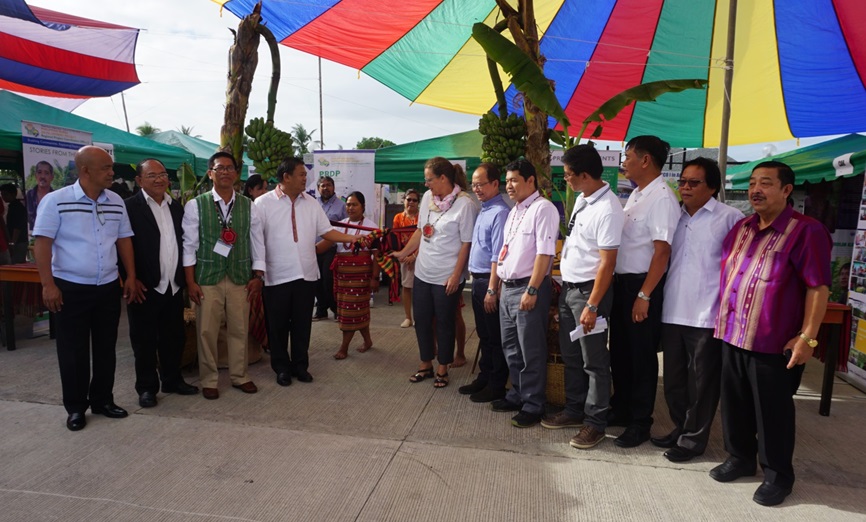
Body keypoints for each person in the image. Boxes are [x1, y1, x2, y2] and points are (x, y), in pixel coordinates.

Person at [711, 161, 830, 507]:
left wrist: (807, 337)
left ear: (787, 190)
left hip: (773, 341)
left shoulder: (806, 231)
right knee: (735, 405)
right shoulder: (742, 227)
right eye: (751, 183)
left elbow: (818, 287)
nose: (755, 190)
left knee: (772, 412)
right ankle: (740, 458)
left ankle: (778, 475)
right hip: (732, 332)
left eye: (765, 183)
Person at [33, 145, 140, 431]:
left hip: (106, 286)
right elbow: (41, 244)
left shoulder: (116, 201)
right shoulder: (56, 201)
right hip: (70, 288)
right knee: (73, 350)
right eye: (105, 167)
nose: (111, 172)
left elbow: (124, 240)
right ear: (85, 170)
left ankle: (103, 400)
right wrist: (48, 285)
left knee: (106, 348)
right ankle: (76, 407)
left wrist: (130, 275)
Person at [654, 157, 743, 461]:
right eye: (682, 182)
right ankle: (682, 427)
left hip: (707, 314)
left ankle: (693, 440)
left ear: (713, 187)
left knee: (702, 382)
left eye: (694, 182)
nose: (685, 188)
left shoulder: (729, 218)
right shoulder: (673, 217)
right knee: (674, 381)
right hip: (672, 310)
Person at [542, 145, 624, 448]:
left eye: (568, 175)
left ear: (585, 175)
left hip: (591, 293)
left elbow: (607, 263)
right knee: (571, 354)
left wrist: (591, 305)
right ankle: (574, 409)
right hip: (570, 289)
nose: (565, 180)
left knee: (594, 360)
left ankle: (595, 422)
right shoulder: (582, 199)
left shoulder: (608, 209)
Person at [256, 158, 365, 386]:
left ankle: (300, 366)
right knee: (277, 327)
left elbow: (327, 231)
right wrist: (258, 272)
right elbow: (256, 241)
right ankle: (281, 368)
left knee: (302, 324)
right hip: (276, 276)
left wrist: (352, 238)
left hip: (306, 274)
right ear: (286, 177)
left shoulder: (311, 204)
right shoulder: (262, 204)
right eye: (301, 175)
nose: (306, 179)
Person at [609, 135, 679, 447]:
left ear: (645, 160)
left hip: (642, 286)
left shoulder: (662, 198)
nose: (624, 162)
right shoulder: (638, 194)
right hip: (624, 285)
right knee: (621, 353)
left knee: (641, 358)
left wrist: (644, 295)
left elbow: (661, 252)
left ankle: (640, 422)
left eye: (628, 156)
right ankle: (621, 408)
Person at [182, 152, 265, 400]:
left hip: (240, 275)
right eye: (220, 168)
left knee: (239, 328)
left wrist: (258, 275)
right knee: (206, 331)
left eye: (230, 168)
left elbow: (257, 242)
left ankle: (240, 376)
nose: (225, 172)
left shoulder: (249, 206)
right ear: (211, 173)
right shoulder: (196, 204)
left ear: (237, 174)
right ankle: (209, 379)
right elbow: (189, 245)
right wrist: (190, 281)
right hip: (208, 277)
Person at [393, 157, 477, 389]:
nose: (426, 184)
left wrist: (455, 275)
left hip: (447, 276)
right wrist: (403, 252)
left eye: (429, 179)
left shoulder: (465, 204)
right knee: (421, 320)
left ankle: (443, 367)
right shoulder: (428, 198)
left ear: (443, 178)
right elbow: (421, 230)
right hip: (423, 272)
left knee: (444, 322)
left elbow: (466, 244)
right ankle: (425, 364)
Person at [123, 159, 199, 409]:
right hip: (145, 286)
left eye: (163, 175)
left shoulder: (176, 207)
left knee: (173, 337)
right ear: (140, 180)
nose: (159, 179)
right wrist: (129, 278)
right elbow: (121, 247)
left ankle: (172, 379)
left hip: (173, 285)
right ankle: (146, 388)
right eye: (152, 175)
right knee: (144, 341)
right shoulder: (129, 208)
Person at [492, 159, 559, 428]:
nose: (509, 185)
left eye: (514, 180)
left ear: (531, 181)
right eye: (507, 180)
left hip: (527, 287)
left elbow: (545, 253)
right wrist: (495, 285)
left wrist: (532, 288)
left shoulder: (543, 209)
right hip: (508, 287)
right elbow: (505, 250)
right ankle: (518, 393)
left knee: (530, 348)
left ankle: (534, 404)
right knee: (511, 347)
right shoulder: (515, 210)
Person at [459, 163, 510, 402]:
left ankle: (497, 384)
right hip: (478, 281)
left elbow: (497, 254)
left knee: (495, 335)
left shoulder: (500, 212)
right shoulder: (484, 210)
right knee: (484, 334)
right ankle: (485, 376)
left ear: (494, 184)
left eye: (481, 184)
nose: (476, 189)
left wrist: (492, 288)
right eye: (474, 184)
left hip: (489, 283)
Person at [321, 191, 379, 360]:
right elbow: (324, 245)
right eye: (348, 204)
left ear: (363, 206)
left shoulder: (371, 227)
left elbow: (377, 256)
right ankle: (367, 341)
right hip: (342, 277)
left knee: (350, 312)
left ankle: (344, 347)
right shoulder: (339, 225)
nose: (350, 208)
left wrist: (375, 278)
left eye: (354, 204)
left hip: (361, 276)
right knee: (357, 310)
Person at [313, 176, 347, 321]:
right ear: (318, 188)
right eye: (322, 185)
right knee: (316, 280)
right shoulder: (313, 204)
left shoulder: (342, 206)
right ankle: (321, 309)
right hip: (314, 248)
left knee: (328, 280)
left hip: (331, 249)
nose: (325, 188)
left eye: (328, 185)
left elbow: (346, 227)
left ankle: (335, 308)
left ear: (333, 187)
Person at [243, 173, 269, 352]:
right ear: (250, 190)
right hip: (247, 264)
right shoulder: (243, 209)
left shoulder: (269, 206)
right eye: (260, 188)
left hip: (265, 264)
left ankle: (266, 342)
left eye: (266, 188)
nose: (264, 192)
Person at [393, 188, 420, 328]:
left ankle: (418, 318)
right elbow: (396, 239)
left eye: (414, 200)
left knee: (419, 289)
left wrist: (414, 256)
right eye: (409, 199)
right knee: (406, 287)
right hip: (404, 256)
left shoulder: (422, 217)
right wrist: (403, 255)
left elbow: (425, 238)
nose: (411, 202)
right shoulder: (398, 218)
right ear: (404, 200)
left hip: (420, 257)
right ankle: (408, 317)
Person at [1, 184, 28, 263]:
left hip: (19, 242)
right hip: (16, 241)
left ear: (13, 194)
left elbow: (17, 228)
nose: (3, 197)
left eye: (5, 194)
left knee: (17, 264)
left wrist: (12, 242)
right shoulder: (12, 206)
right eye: (2, 194)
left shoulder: (16, 208)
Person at [26, 160, 54, 229]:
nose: (42, 176)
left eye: (46, 173)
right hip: (32, 236)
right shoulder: (29, 195)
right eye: (39, 172)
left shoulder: (56, 196)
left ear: (52, 177)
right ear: (36, 175)